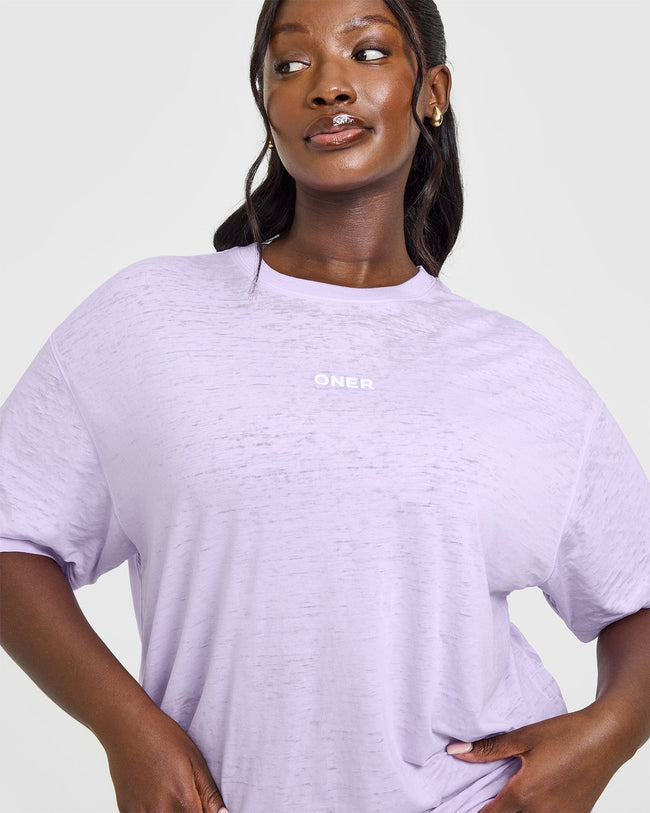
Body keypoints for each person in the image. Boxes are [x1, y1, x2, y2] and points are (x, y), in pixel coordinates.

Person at [1, 0, 648, 811]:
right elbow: (13, 534)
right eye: (290, 63)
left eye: (368, 52)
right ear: (267, 103)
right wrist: (127, 726)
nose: (328, 86)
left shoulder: (520, 371)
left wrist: (608, 734)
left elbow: (637, 589)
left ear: (433, 92)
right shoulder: (150, 320)